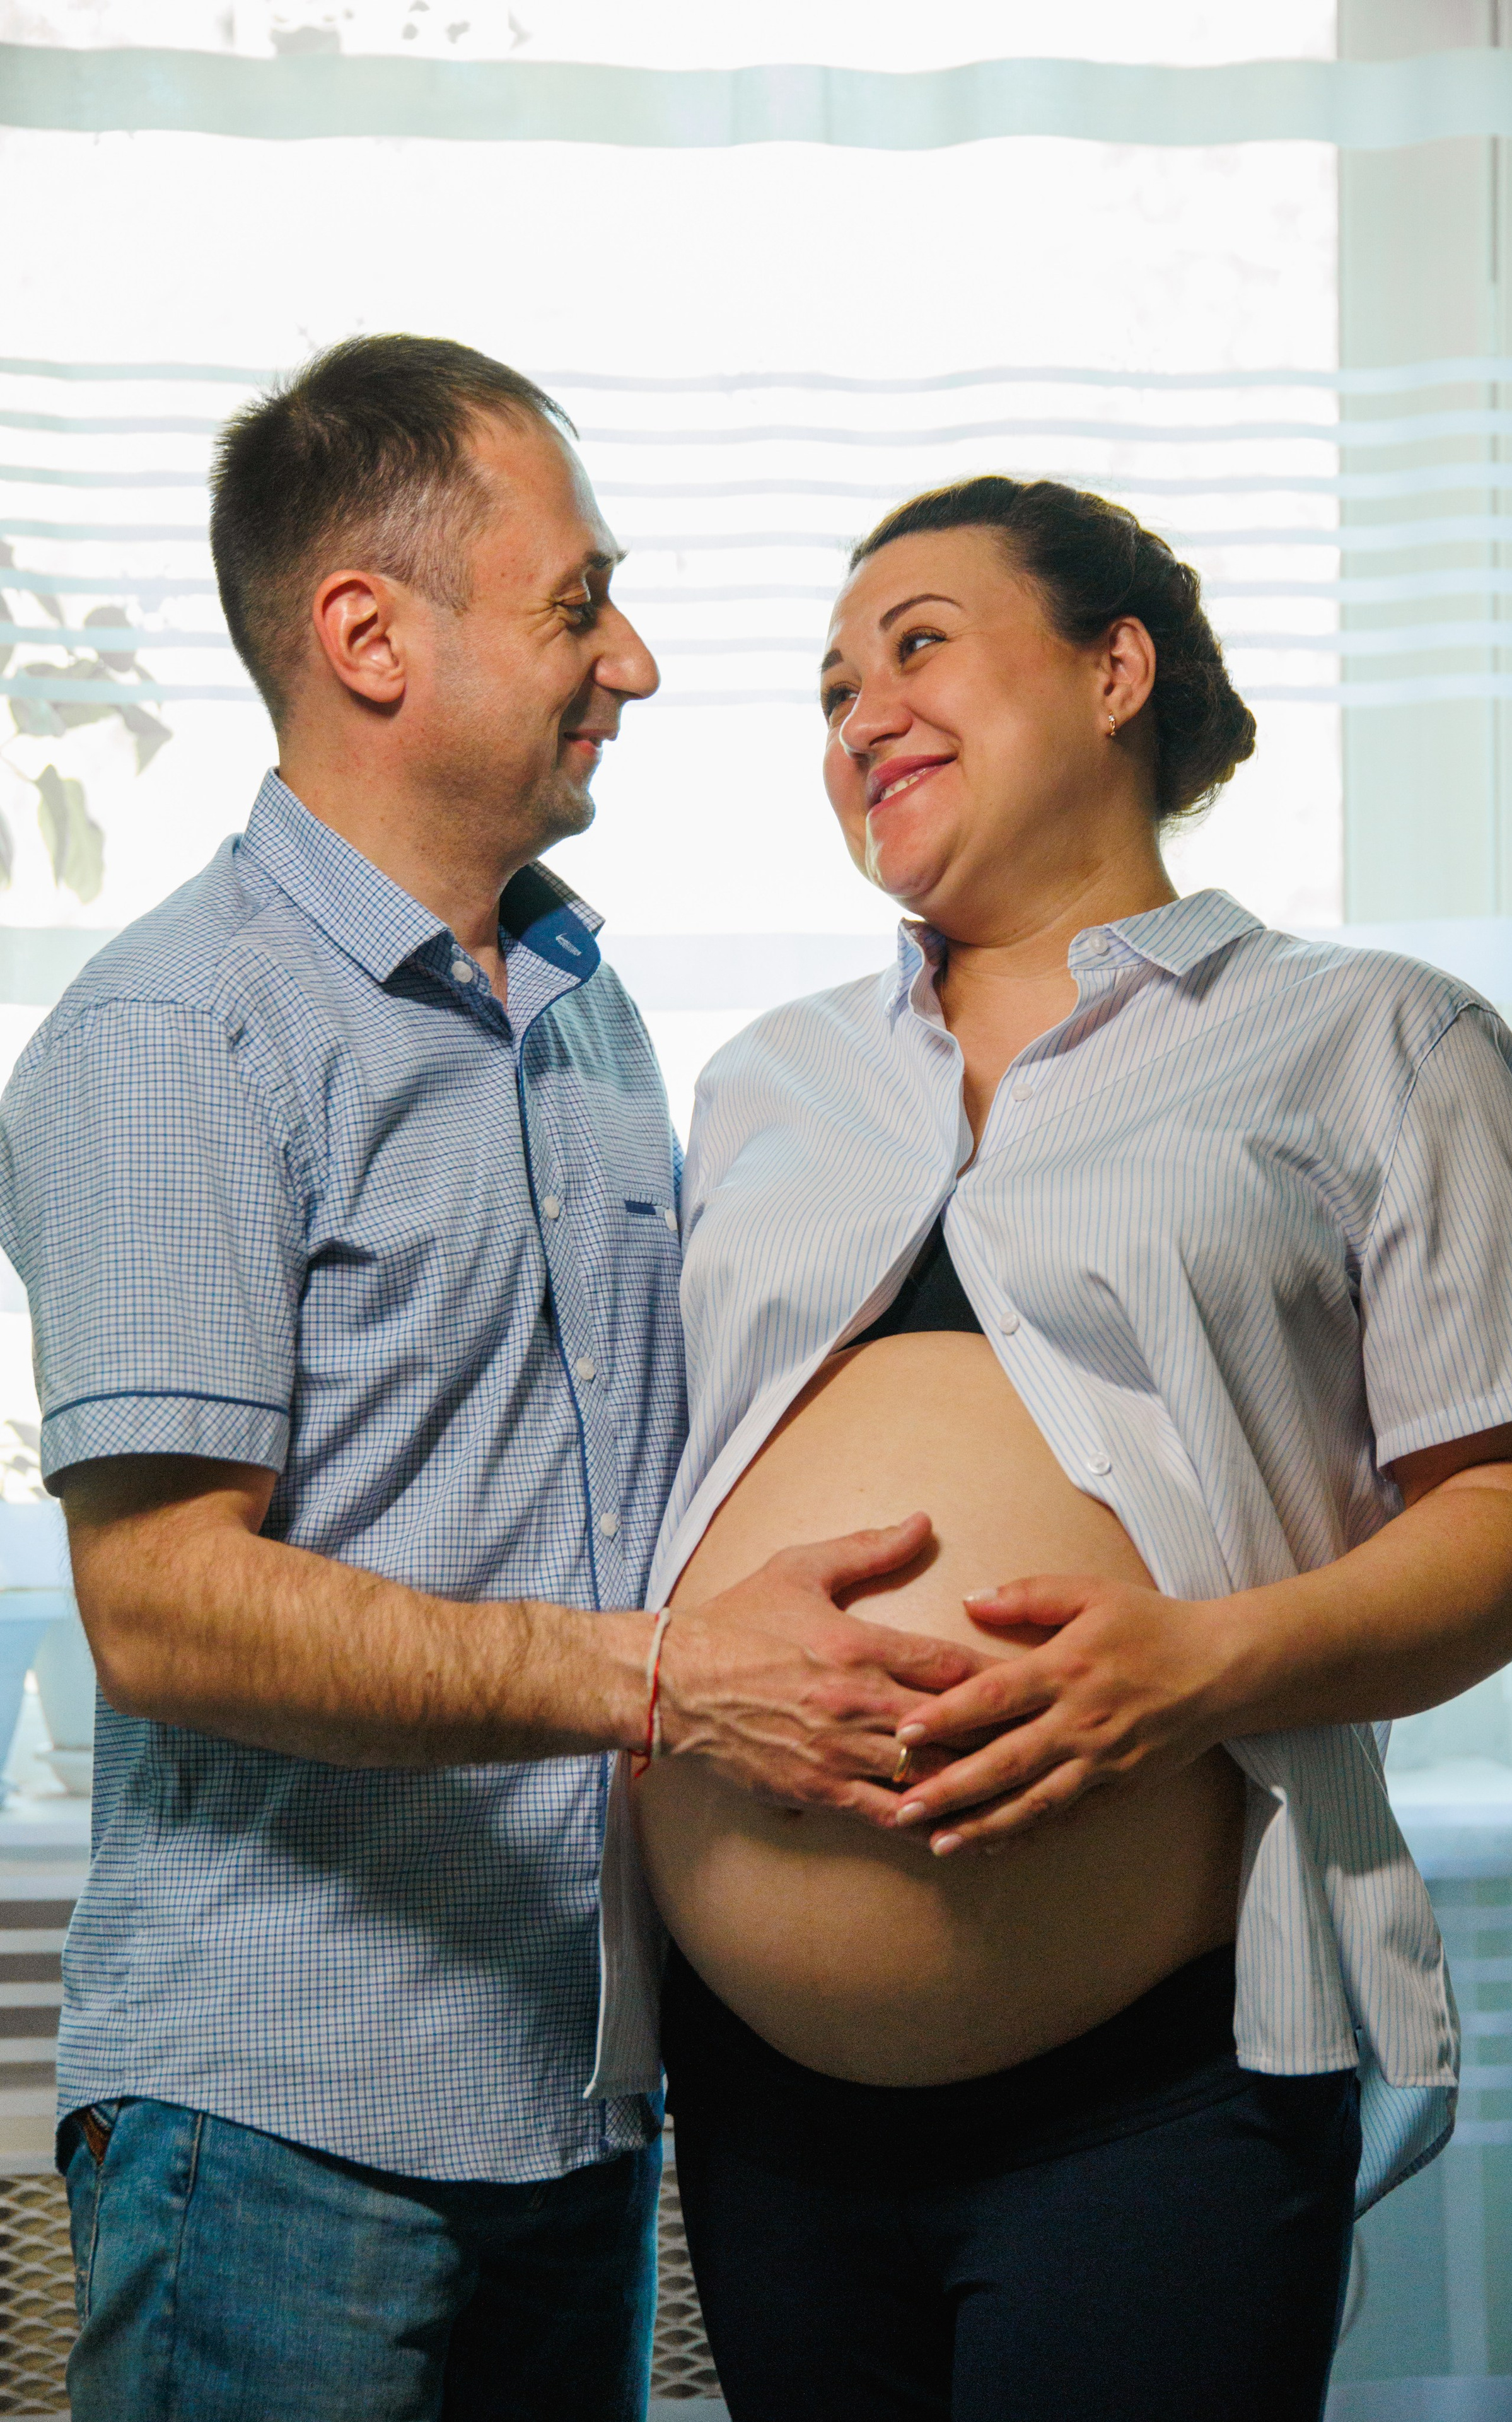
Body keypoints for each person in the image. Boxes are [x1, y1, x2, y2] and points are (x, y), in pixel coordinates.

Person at [0, 338, 990, 2422]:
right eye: (576, 603)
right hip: (282, 2118)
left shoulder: (581, 1006)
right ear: (368, 635)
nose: (626, 660)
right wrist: (660, 1678)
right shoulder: (178, 1035)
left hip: (576, 2103)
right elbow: (162, 1605)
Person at [610, 476, 1512, 2422]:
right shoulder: (765, 1081)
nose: (860, 715)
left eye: (916, 645)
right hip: (759, 2102)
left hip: (1158, 2082)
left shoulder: (1375, 1039)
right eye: (831, 691)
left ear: (1112, 669)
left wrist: (1200, 1665)